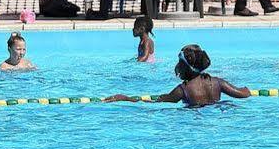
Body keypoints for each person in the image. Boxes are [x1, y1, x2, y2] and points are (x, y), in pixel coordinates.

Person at [107, 44, 252, 108]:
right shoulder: (217, 83)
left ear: (183, 67)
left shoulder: (183, 90)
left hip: (191, 123)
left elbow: (158, 102)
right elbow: (243, 94)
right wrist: (247, 89)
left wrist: (126, 98)